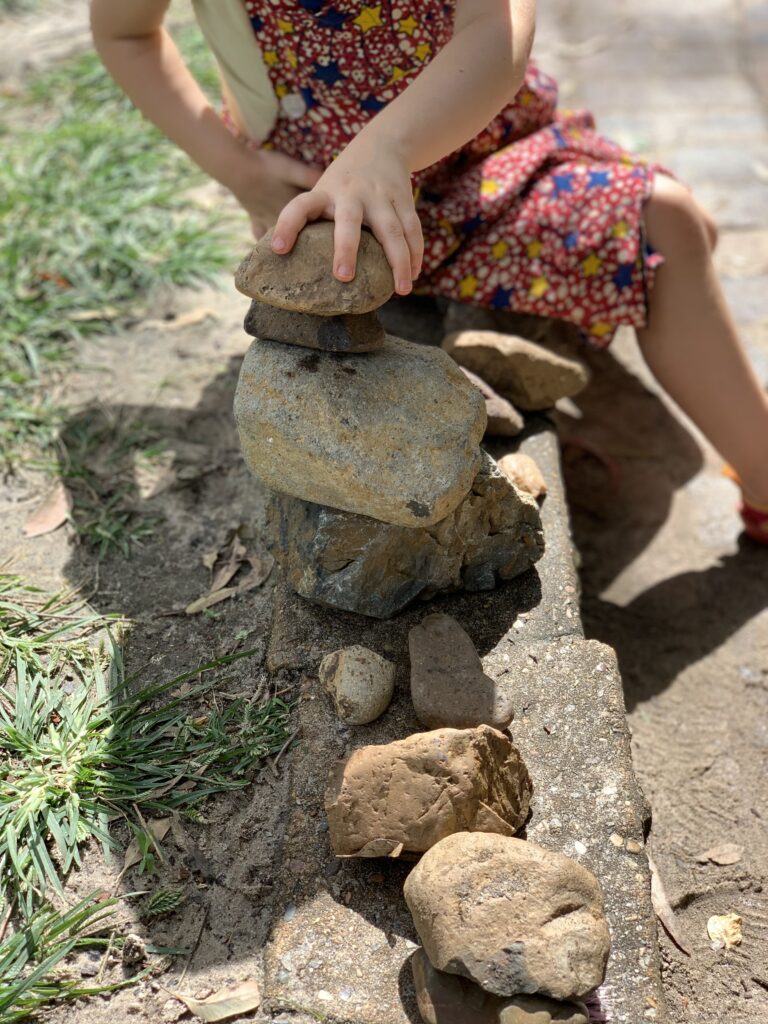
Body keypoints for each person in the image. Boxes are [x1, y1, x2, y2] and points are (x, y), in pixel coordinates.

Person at [90, 0, 768, 543]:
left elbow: (497, 26)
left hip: (491, 149)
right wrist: (240, 171)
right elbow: (125, 32)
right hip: (380, 220)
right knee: (668, 224)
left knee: (684, 236)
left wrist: (387, 145)